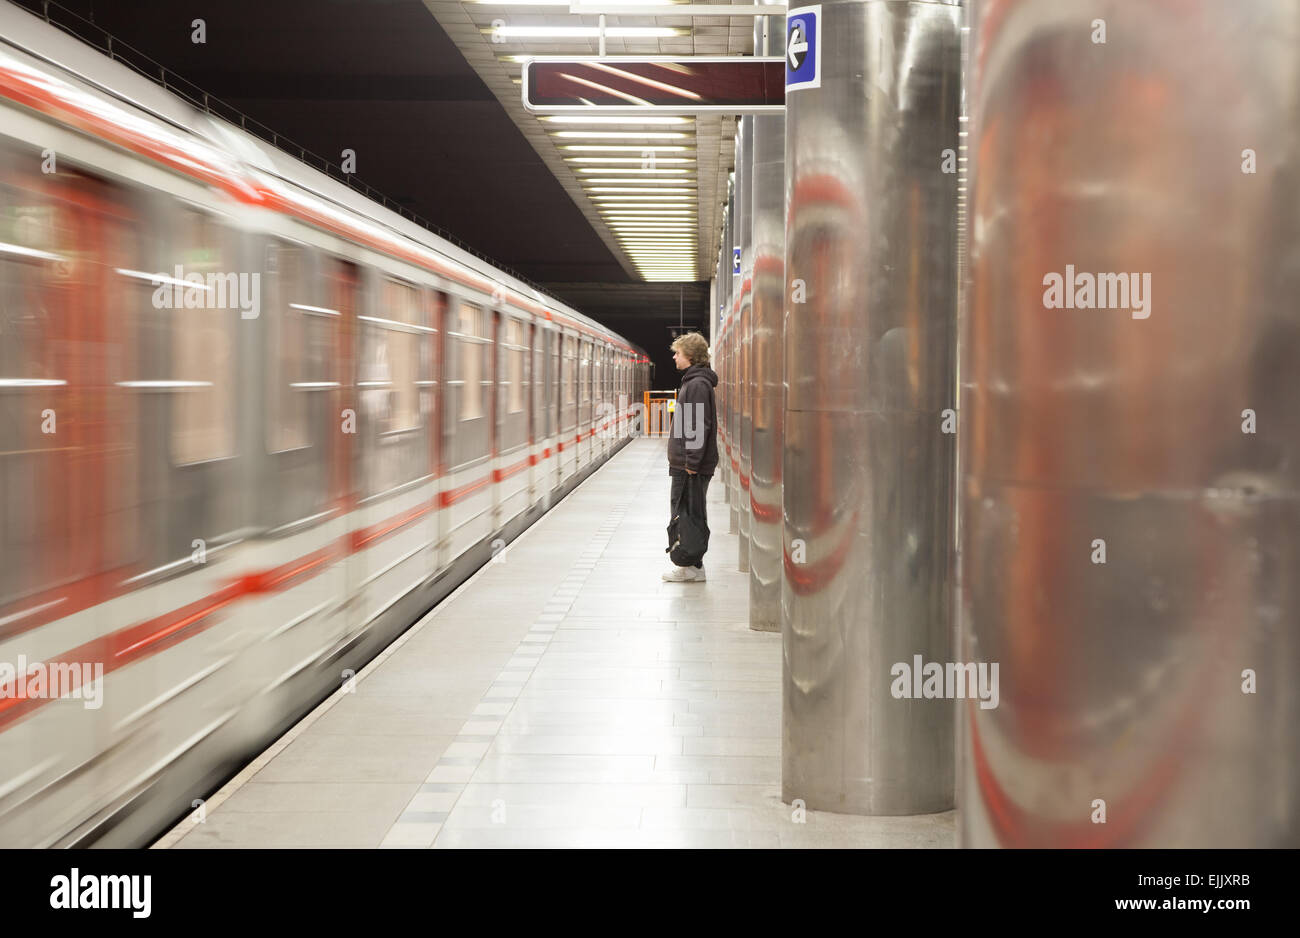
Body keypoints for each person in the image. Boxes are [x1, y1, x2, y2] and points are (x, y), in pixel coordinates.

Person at [663, 332, 718, 582]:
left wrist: (691, 463)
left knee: (687, 515)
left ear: (690, 356)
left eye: (678, 353)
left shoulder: (696, 384)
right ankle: (692, 565)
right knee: (690, 513)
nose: (674, 357)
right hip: (688, 463)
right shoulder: (695, 382)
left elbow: (696, 426)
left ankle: (691, 567)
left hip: (689, 466)